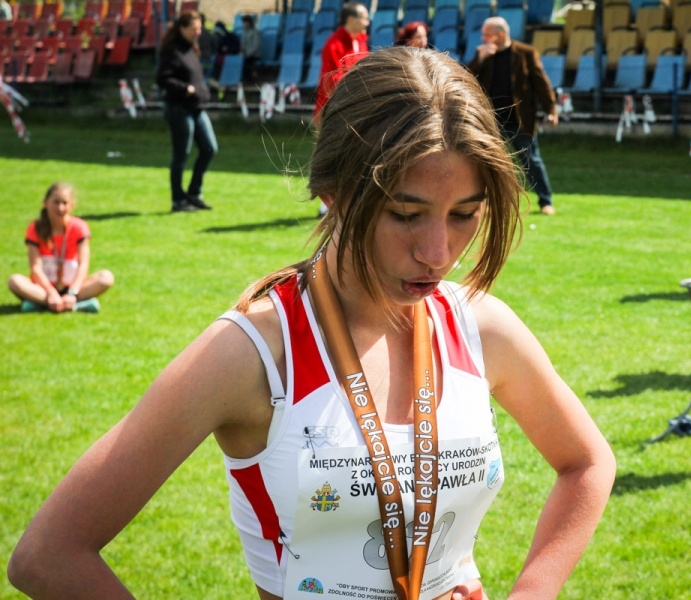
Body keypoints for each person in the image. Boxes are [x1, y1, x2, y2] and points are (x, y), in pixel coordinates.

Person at [8, 48, 615, 599]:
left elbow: (588, 463)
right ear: (333, 191)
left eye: (464, 214)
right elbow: (49, 556)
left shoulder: (480, 326)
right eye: (406, 214)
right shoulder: (253, 353)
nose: (438, 252)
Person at [468, 16, 558, 216]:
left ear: (500, 35)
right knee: (488, 163)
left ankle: (546, 201)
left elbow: (541, 83)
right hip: (490, 120)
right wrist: (479, 60)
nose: (483, 38)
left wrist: (551, 110)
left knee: (532, 161)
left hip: (519, 118)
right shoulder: (482, 54)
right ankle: (489, 203)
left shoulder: (525, 53)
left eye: (487, 34)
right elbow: (465, 79)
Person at [7, 182, 114, 314]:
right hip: (44, 289)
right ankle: (74, 305)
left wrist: (72, 292)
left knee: (106, 277)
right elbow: (35, 268)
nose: (60, 208)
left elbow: (83, 265)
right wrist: (51, 292)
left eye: (65, 203)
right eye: (56, 202)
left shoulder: (79, 227)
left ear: (72, 205)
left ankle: (42, 304)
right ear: (46, 203)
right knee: (14, 281)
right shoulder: (35, 228)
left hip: (74, 287)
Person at [156, 10, 218, 213]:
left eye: (199, 28)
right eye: (193, 29)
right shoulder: (172, 51)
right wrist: (185, 88)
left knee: (209, 148)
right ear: (182, 28)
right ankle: (178, 200)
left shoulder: (192, 48)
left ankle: (194, 193)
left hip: (197, 108)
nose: (197, 32)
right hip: (179, 108)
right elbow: (163, 78)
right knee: (181, 154)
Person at [314, 1, 369, 116]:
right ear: (351, 20)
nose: (367, 23)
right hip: (335, 109)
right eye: (364, 18)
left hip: (357, 104)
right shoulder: (334, 45)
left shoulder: (361, 42)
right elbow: (331, 79)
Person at [240, 14, 261, 82]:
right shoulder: (244, 32)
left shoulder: (255, 32)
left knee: (247, 61)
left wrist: (248, 53)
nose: (245, 24)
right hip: (245, 54)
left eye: (246, 22)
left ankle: (251, 78)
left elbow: (255, 45)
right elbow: (243, 44)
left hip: (254, 55)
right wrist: (242, 52)